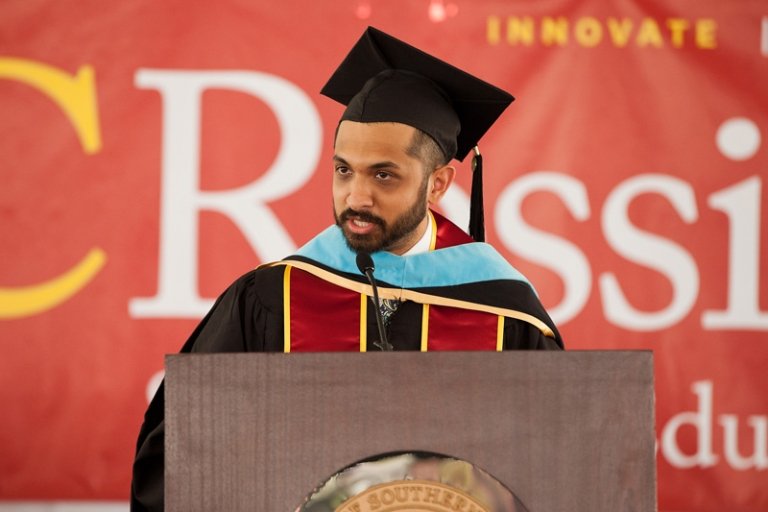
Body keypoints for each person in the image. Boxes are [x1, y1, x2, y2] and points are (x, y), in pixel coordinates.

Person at [130, 26, 564, 511]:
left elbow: (554, 472)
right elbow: (184, 455)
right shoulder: (275, 296)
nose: (356, 197)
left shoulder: (504, 311)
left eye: (383, 174)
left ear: (438, 183)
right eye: (343, 170)